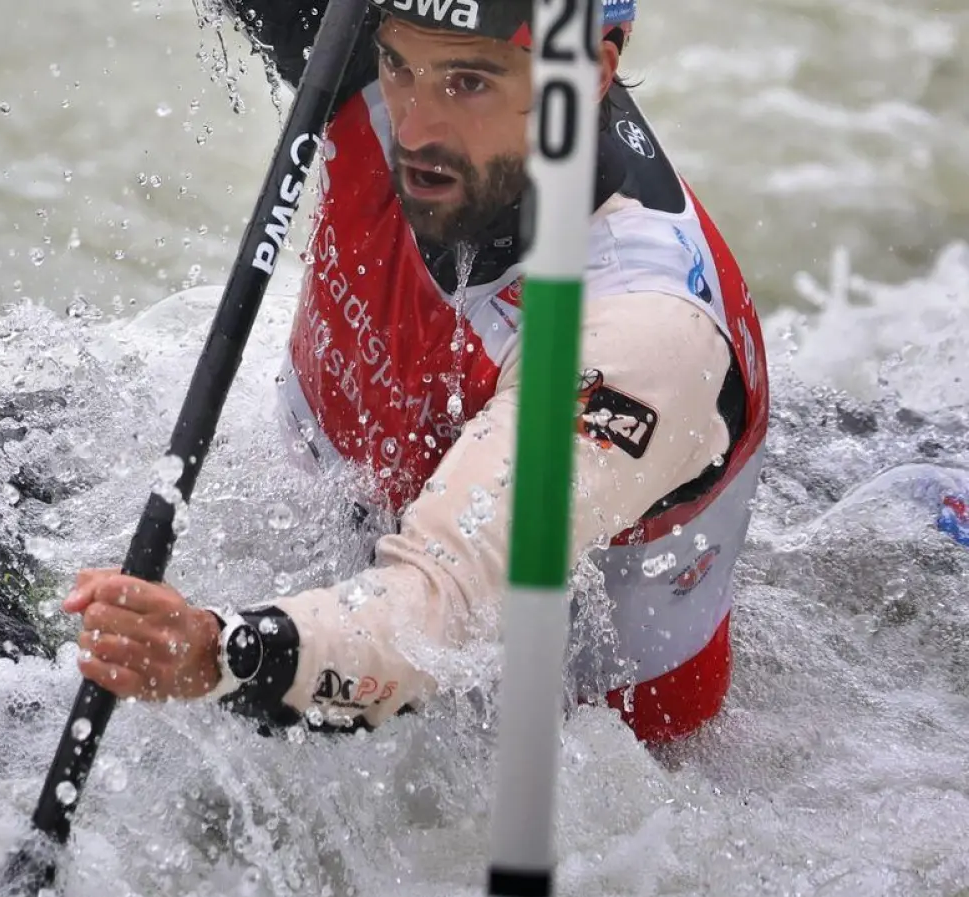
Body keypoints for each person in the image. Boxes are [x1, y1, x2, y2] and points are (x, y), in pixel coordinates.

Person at [62, 0, 770, 743]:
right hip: (312, 536)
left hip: (543, 745)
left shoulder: (640, 335)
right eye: (399, 65)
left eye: (468, 83)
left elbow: (440, 616)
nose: (415, 129)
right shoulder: (348, 33)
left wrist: (214, 653)